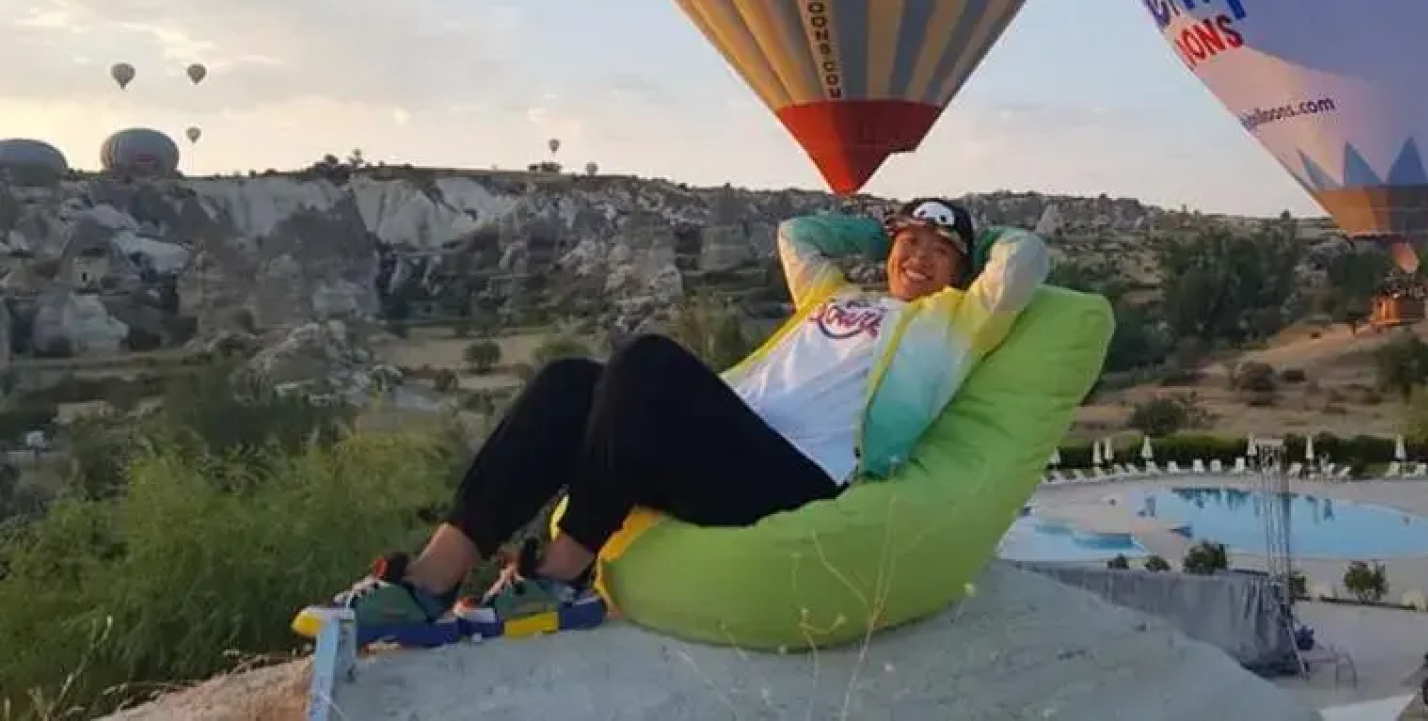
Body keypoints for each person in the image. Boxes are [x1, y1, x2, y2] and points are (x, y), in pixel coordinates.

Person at [297, 198, 1049, 647]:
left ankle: (561, 579)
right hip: (726, 444)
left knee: (648, 361)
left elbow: (1025, 259)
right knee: (569, 381)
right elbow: (796, 233)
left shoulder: (960, 322)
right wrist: (871, 229)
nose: (919, 256)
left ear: (962, 269)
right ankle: (429, 581)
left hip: (798, 474)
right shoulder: (835, 297)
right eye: (910, 241)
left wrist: (977, 244)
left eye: (941, 250)